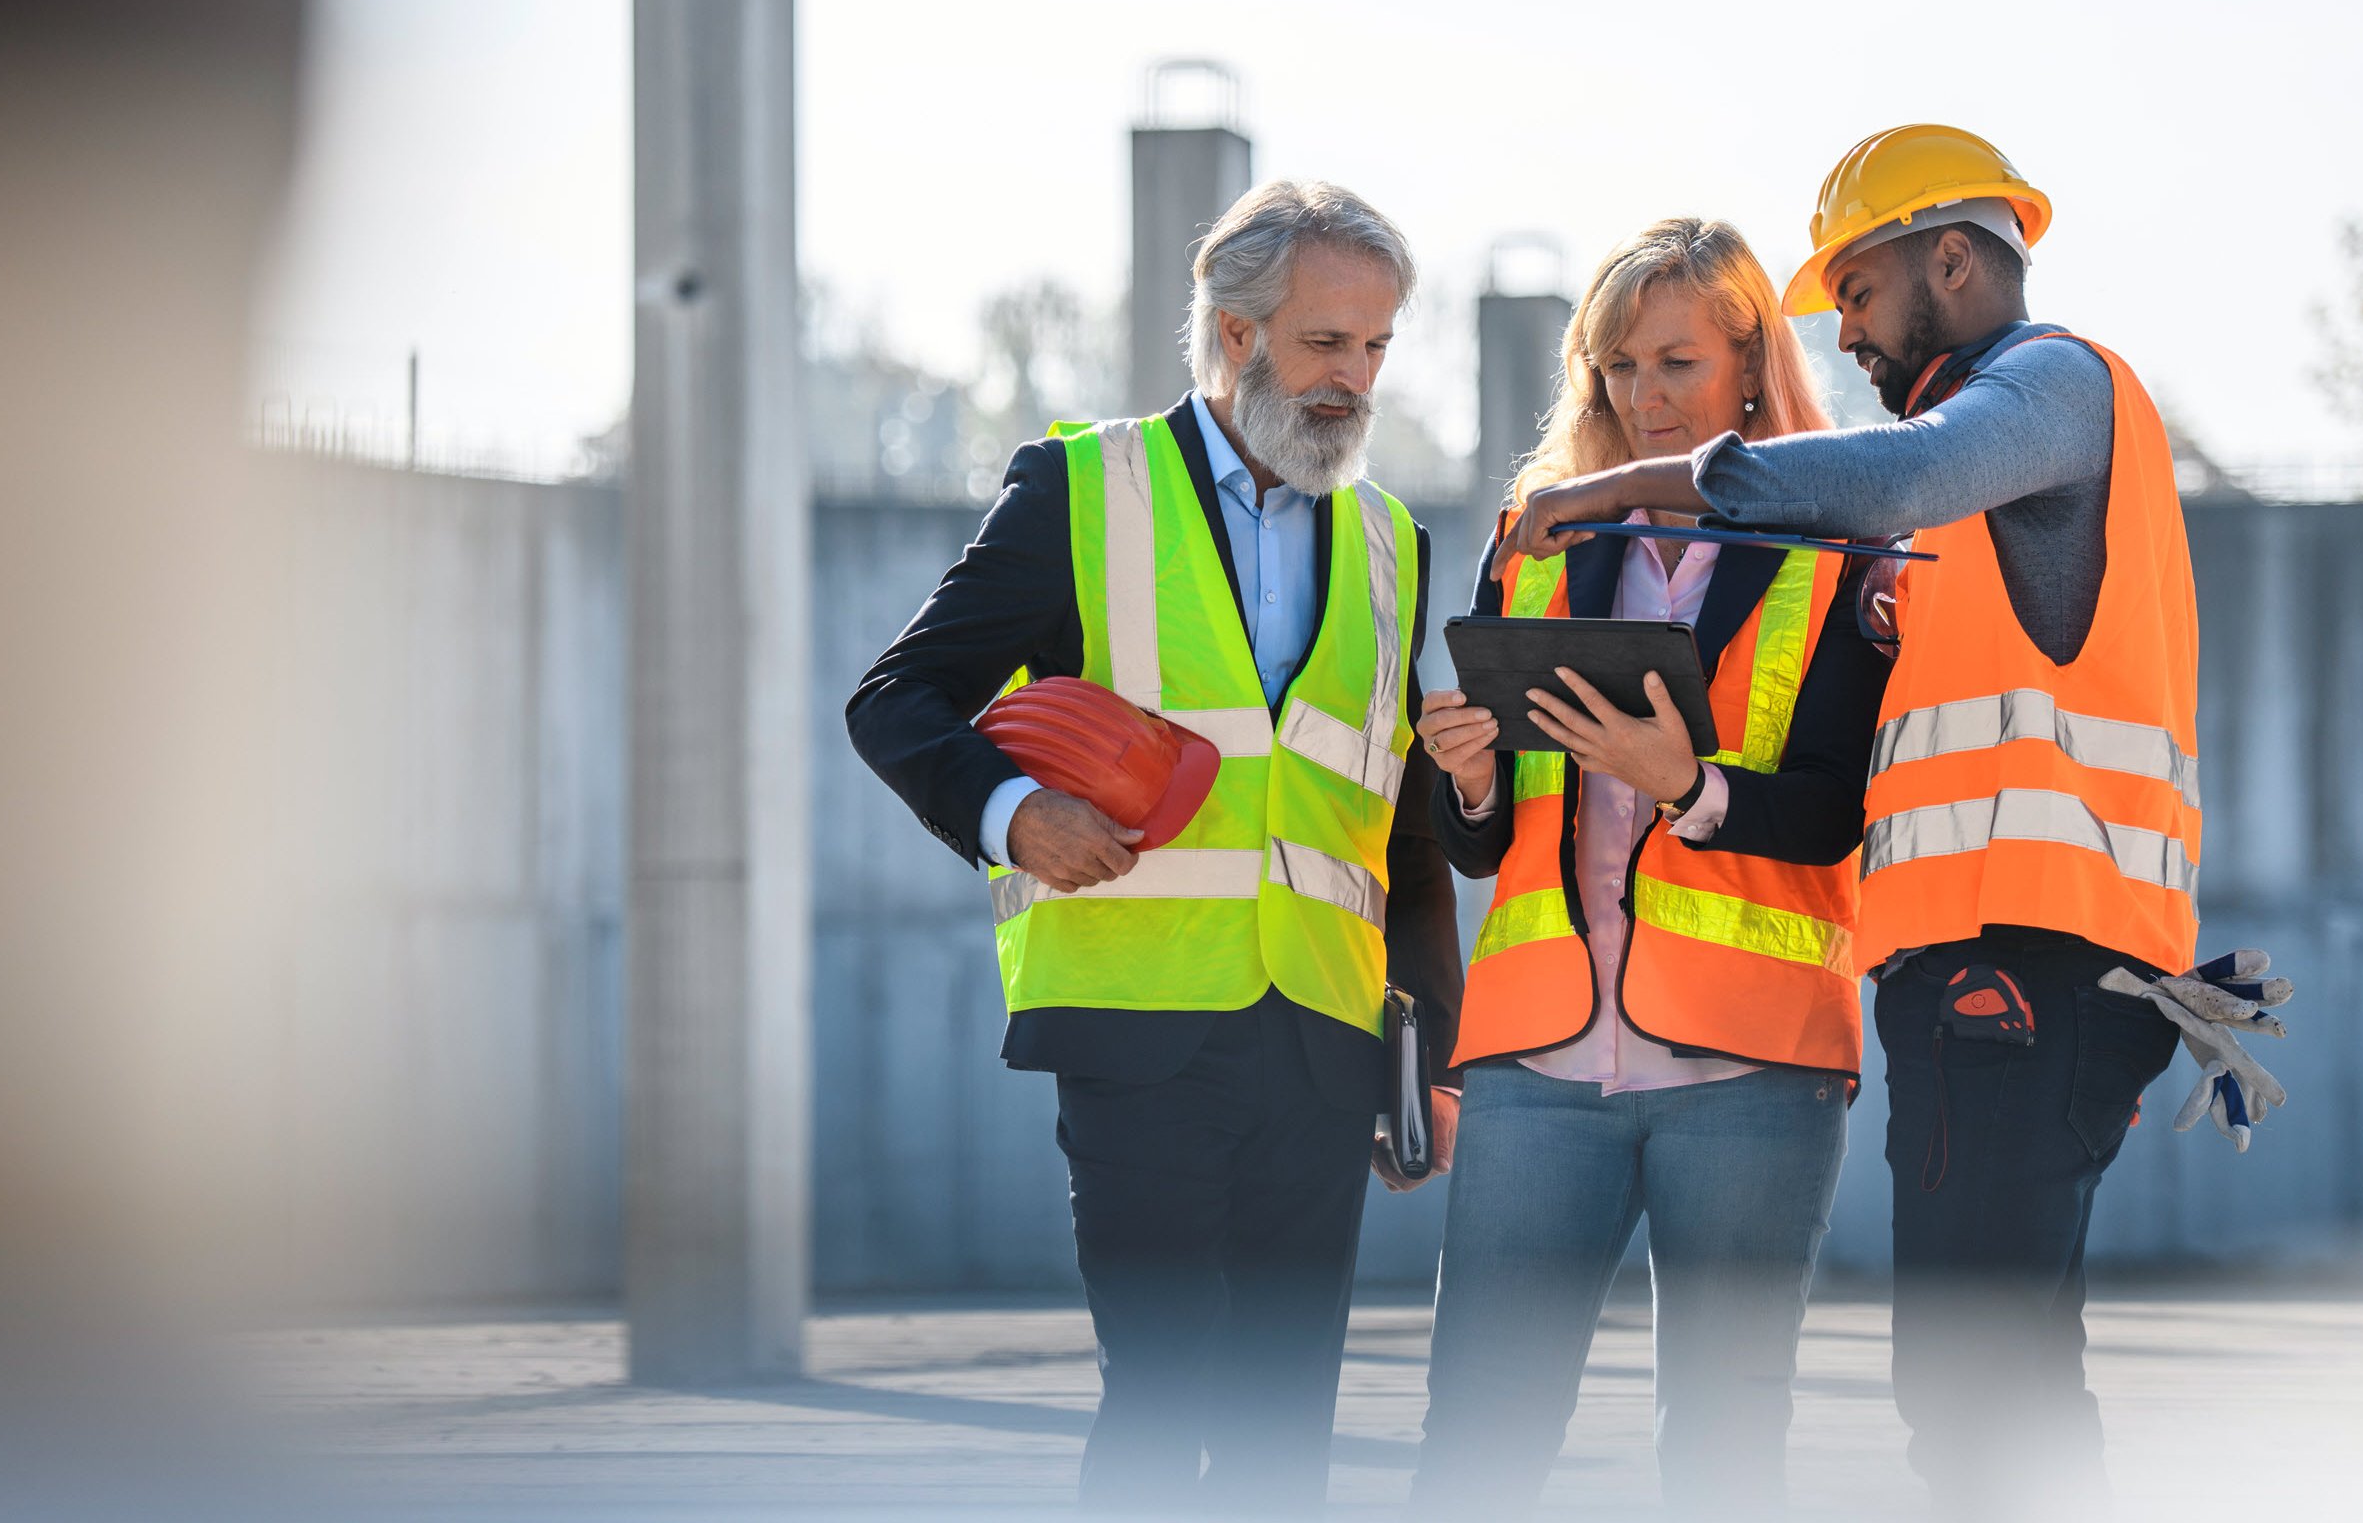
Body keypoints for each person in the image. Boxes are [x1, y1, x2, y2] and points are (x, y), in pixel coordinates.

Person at [1499, 126, 2201, 1518]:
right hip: (1981, 972)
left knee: (1976, 1390)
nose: (1854, 341)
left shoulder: (2051, 384)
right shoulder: (1972, 497)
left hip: (2034, 964)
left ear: (1953, 257)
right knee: (1998, 1384)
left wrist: (1605, 489)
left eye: (1863, 296)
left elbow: (1882, 480)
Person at [846, 179, 1464, 1514]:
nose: (1354, 379)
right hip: (1137, 1029)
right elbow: (894, 701)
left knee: (1287, 1424)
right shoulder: (1083, 490)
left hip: (1323, 1037)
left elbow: (1397, 827)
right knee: (1167, 1393)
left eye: (1374, 347)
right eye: (1323, 343)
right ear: (1236, 336)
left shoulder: (1391, 543)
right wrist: (1016, 813)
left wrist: (1434, 1059)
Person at [1407, 220, 1886, 1518]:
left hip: (1753, 1071)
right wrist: (1466, 773)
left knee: (1724, 1455)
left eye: (1675, 361)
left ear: (1749, 369)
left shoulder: (1842, 544)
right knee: (1476, 1445)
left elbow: (1841, 807)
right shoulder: (1539, 538)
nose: (1641, 395)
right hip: (1538, 1067)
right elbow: (1480, 847)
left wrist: (1690, 784)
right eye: (1616, 365)